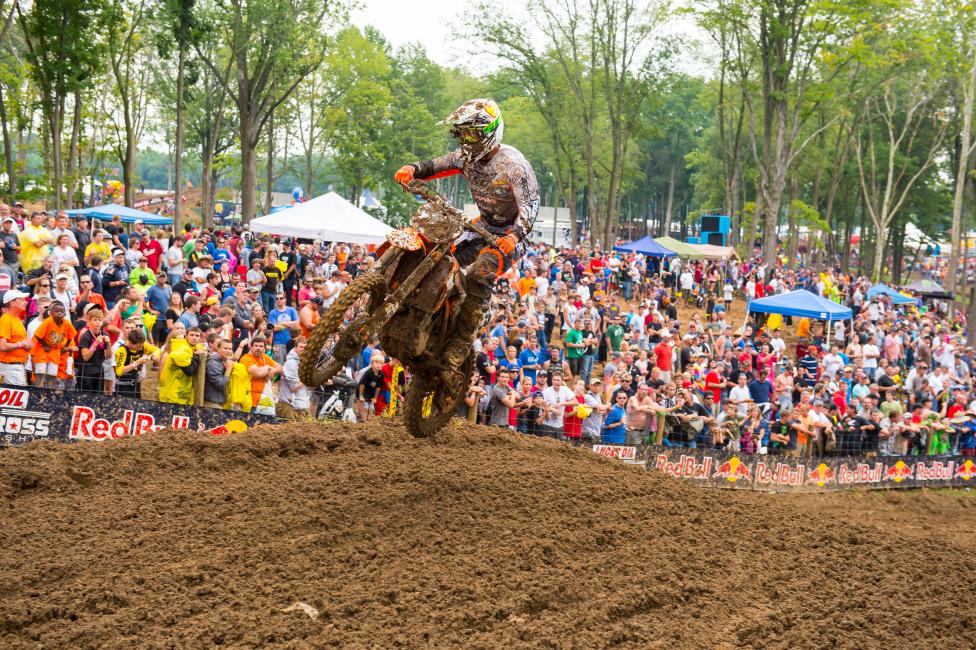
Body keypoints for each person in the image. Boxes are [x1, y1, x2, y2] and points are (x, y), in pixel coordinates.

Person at [394, 98, 540, 377]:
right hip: (482, 225)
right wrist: (412, 168)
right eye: (463, 133)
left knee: (481, 271)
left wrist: (515, 235)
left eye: (472, 133)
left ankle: (460, 343)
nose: (466, 139)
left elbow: (530, 206)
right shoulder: (465, 157)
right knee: (437, 254)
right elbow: (436, 165)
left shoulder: (513, 165)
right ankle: (422, 312)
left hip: (513, 235)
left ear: (490, 132)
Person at [30, 300, 77, 388]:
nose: (59, 313)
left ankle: (50, 393)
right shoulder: (48, 322)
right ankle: (38, 392)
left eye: (61, 311)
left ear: (65, 314)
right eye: (57, 311)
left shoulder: (67, 323)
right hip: (43, 351)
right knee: (41, 373)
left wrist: (66, 346)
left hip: (55, 352)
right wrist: (44, 345)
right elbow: (37, 335)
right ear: (51, 313)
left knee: (52, 375)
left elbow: (71, 335)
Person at [114, 328, 159, 399]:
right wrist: (137, 362)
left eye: (141, 346)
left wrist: (154, 355)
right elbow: (119, 371)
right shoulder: (122, 351)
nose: (141, 349)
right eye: (138, 346)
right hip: (123, 386)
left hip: (136, 384)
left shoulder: (142, 344)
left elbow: (157, 350)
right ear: (130, 342)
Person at [0, 289, 31, 385]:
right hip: (10, 368)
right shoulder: (6, 320)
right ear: (12, 303)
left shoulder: (16, 319)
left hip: (15, 367)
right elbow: (2, 346)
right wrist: (22, 344)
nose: (25, 302)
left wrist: (26, 345)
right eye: (21, 300)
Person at [278, 337, 311, 419]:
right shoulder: (291, 363)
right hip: (289, 406)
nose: (303, 349)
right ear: (295, 348)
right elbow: (294, 387)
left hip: (301, 406)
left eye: (305, 347)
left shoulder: (303, 363)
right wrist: (307, 378)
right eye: (301, 347)